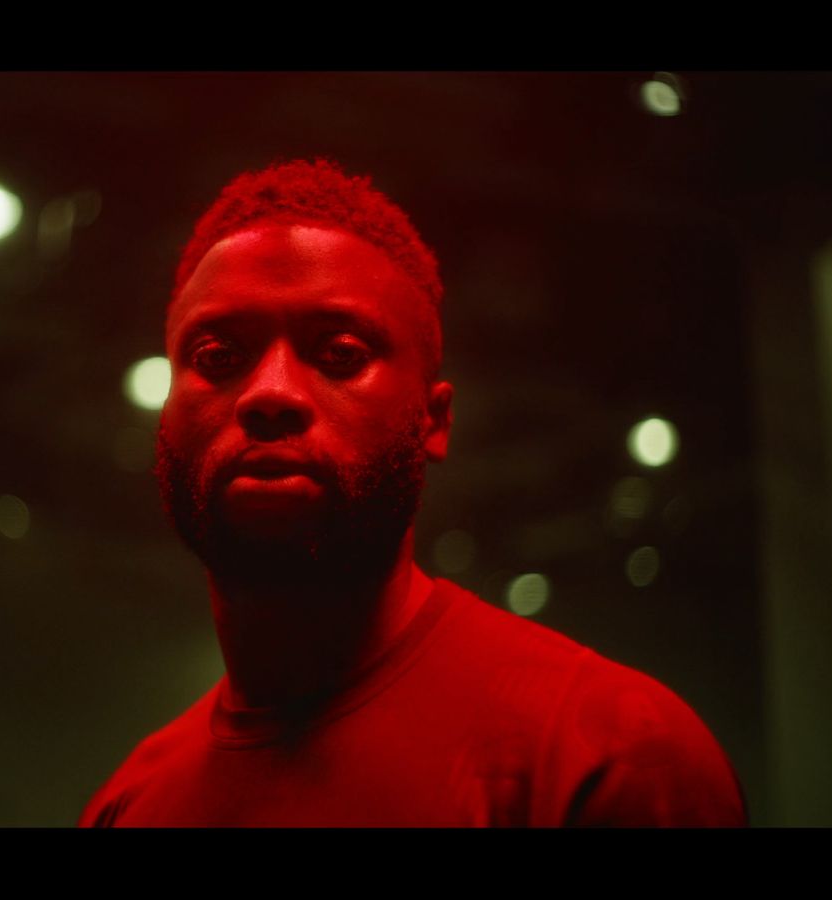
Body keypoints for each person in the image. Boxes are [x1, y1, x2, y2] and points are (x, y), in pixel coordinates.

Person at [80, 159, 747, 827]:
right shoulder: (127, 807)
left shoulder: (611, 760)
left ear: (433, 420)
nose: (270, 392)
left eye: (339, 352)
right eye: (219, 357)